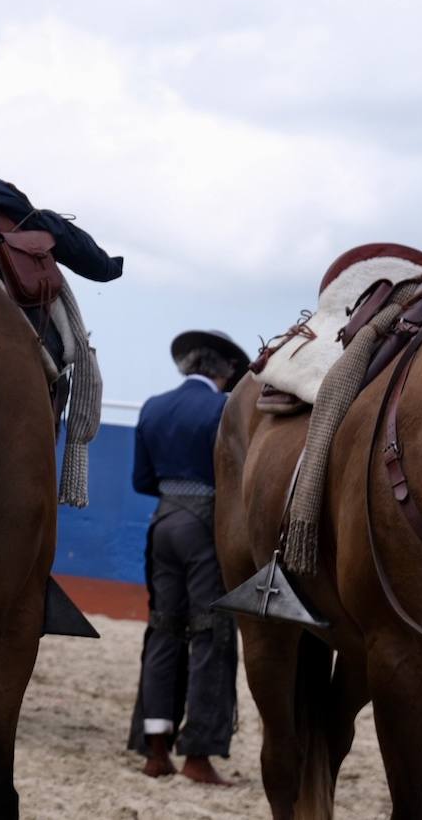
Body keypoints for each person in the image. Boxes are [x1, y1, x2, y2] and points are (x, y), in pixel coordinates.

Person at [127, 329, 249, 785]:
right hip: (204, 526)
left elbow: (142, 480)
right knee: (209, 632)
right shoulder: (223, 409)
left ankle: (155, 748)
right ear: (224, 370)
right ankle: (198, 754)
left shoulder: (153, 406)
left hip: (162, 523)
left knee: (162, 629)